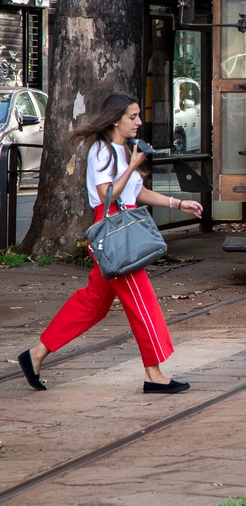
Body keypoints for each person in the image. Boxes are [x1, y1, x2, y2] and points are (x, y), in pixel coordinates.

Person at [17, 93, 203, 394]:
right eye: (133, 117)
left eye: (138, 116)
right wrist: (132, 165)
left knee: (93, 303)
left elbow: (136, 193)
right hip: (114, 233)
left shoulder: (123, 148)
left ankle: (35, 354)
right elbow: (109, 195)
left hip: (121, 230)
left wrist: (179, 203)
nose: (139, 122)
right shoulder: (102, 152)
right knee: (142, 302)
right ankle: (154, 375)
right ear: (116, 119)